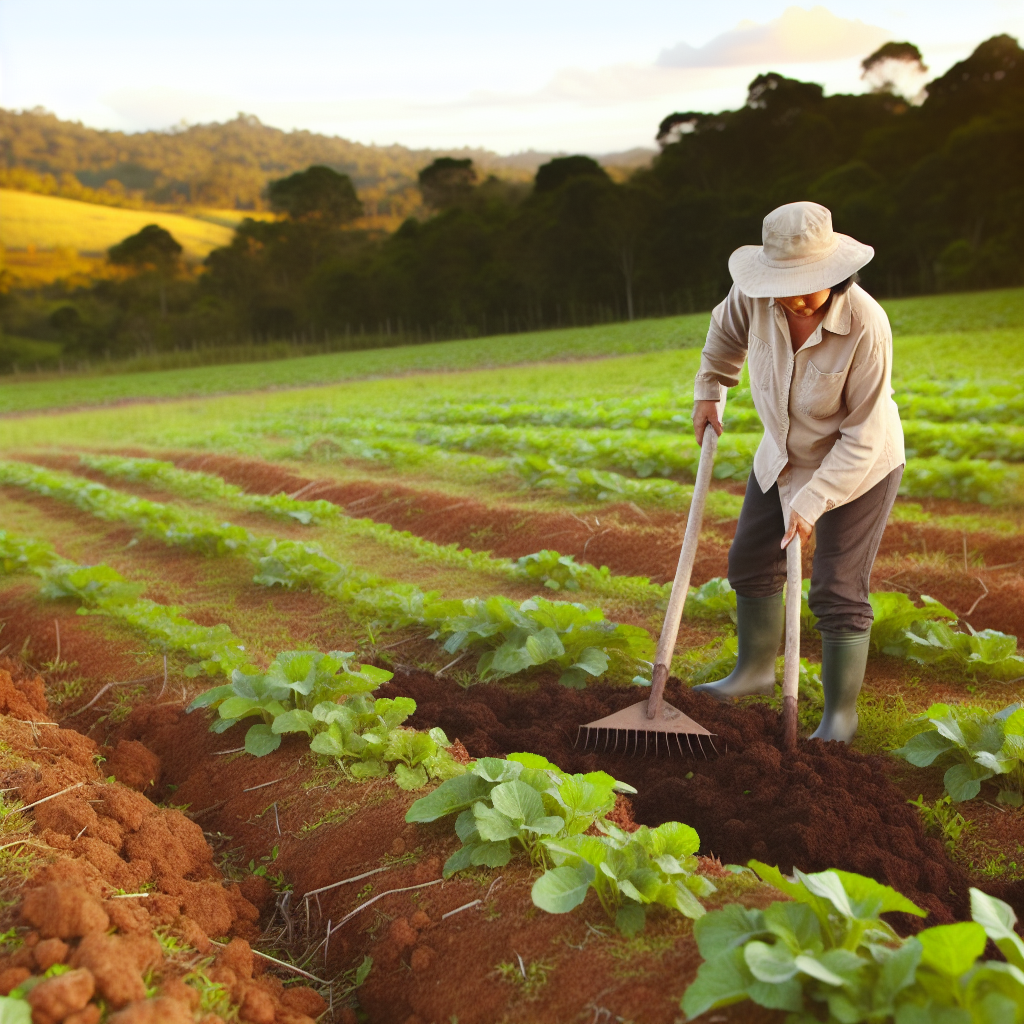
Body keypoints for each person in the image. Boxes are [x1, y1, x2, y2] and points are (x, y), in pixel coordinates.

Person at [690, 201, 905, 743]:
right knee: (749, 559)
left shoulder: (866, 326)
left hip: (857, 466)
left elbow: (863, 435)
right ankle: (755, 672)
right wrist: (709, 388)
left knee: (836, 588)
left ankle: (839, 717)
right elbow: (724, 330)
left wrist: (811, 506)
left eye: (809, 284)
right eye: (785, 284)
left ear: (837, 273)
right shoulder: (755, 296)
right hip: (783, 454)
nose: (794, 297)